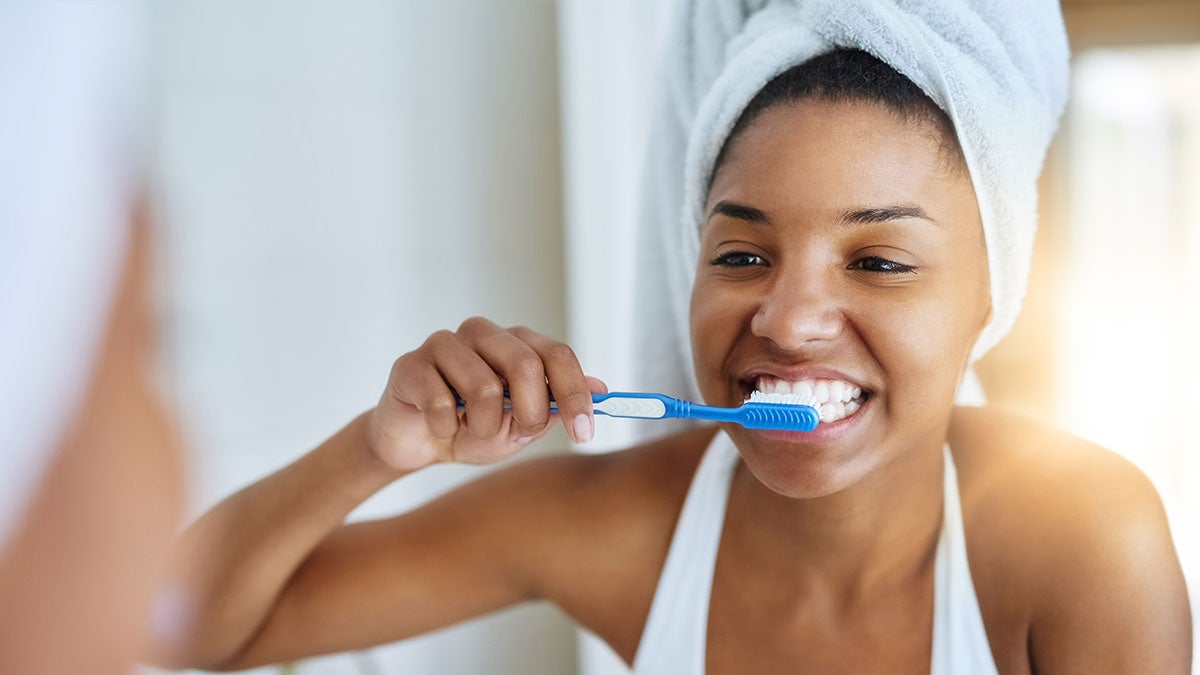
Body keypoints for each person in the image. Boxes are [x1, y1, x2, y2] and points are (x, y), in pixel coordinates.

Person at [153, 6, 1193, 675]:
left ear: (990, 297)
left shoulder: (1082, 544)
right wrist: (374, 450)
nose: (786, 320)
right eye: (740, 255)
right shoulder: (622, 524)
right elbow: (178, 622)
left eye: (878, 262)